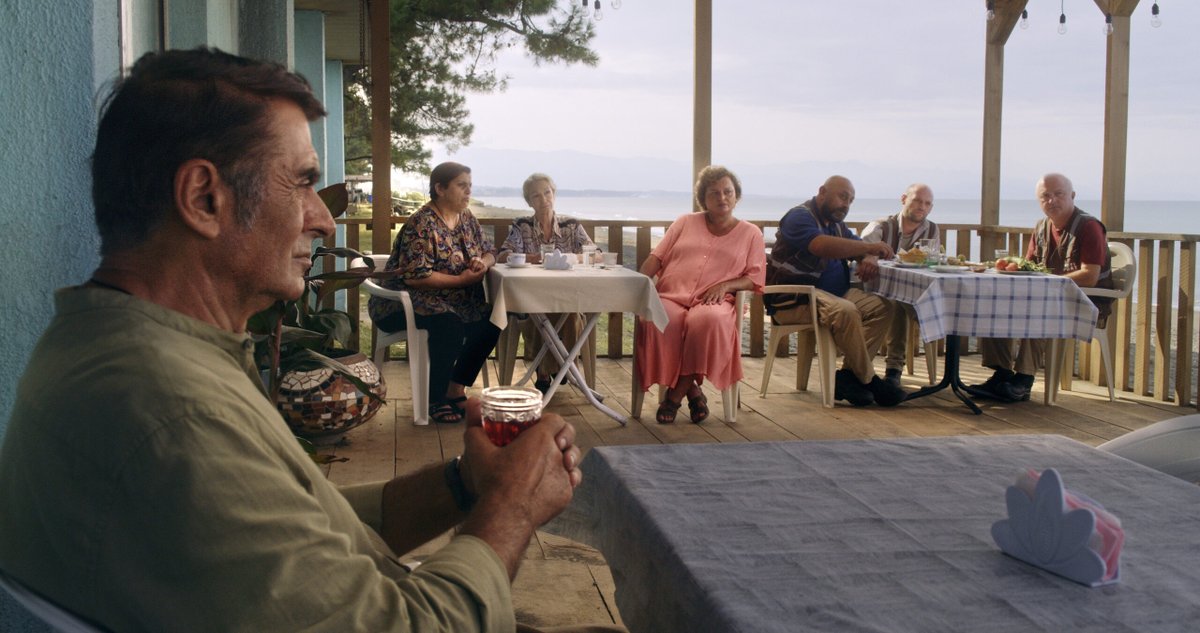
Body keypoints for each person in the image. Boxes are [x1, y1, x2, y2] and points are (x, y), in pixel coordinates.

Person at [0, 48, 600, 632]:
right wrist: (511, 507)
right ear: (205, 199)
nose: (324, 218)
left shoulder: (125, 350)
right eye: (303, 183)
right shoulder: (176, 413)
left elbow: (314, 524)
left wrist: (465, 484)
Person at [368, 161, 501, 424]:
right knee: (449, 325)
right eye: (462, 186)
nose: (468, 192)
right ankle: (435, 399)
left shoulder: (466, 218)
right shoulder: (422, 223)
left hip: (451, 300)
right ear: (440, 188)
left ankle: (455, 388)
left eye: (470, 186)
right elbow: (418, 278)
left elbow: (490, 251)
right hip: (402, 303)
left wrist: (481, 263)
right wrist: (462, 279)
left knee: (493, 321)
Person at [636, 166, 766, 424]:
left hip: (714, 301)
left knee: (706, 323)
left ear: (736, 195)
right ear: (703, 199)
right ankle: (693, 391)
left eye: (728, 192)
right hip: (671, 295)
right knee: (657, 320)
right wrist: (639, 285)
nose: (722, 198)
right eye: (714, 193)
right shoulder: (685, 222)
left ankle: (674, 396)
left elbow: (754, 277)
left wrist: (726, 286)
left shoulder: (751, 233)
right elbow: (656, 258)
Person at [969, 173, 1114, 402]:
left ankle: (1023, 381)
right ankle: (1002, 374)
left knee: (1038, 309)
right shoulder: (1041, 227)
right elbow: (1029, 267)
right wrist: (1011, 268)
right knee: (995, 305)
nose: (1052, 201)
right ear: (1039, 201)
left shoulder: (1089, 227)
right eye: (1045, 196)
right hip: (1048, 296)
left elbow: (1090, 276)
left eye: (1059, 194)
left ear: (1072, 196)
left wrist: (1049, 283)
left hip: (1085, 301)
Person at [765, 175, 906, 407]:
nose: (846, 205)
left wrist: (868, 255)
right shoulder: (799, 216)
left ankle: (848, 378)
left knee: (883, 307)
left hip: (833, 295)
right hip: (796, 298)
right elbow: (821, 245)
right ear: (822, 192)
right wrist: (870, 247)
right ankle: (869, 380)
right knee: (847, 311)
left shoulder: (836, 225)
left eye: (850, 200)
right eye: (842, 197)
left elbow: (855, 244)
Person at [497, 173, 595, 393]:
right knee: (538, 311)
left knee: (569, 312)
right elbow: (503, 255)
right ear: (529, 201)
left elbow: (595, 253)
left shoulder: (571, 225)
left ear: (554, 193)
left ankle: (546, 370)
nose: (544, 199)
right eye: (536, 196)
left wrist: (571, 258)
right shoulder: (522, 226)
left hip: (567, 295)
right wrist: (537, 259)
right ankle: (561, 367)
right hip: (533, 296)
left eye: (547, 193)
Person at [861, 183, 939, 387]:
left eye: (927, 203)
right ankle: (894, 369)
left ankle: (947, 373)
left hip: (913, 290)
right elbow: (860, 251)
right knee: (896, 301)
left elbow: (931, 262)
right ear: (904, 199)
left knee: (934, 307)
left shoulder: (931, 229)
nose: (922, 206)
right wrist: (869, 254)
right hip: (873, 288)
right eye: (917, 201)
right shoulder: (880, 226)